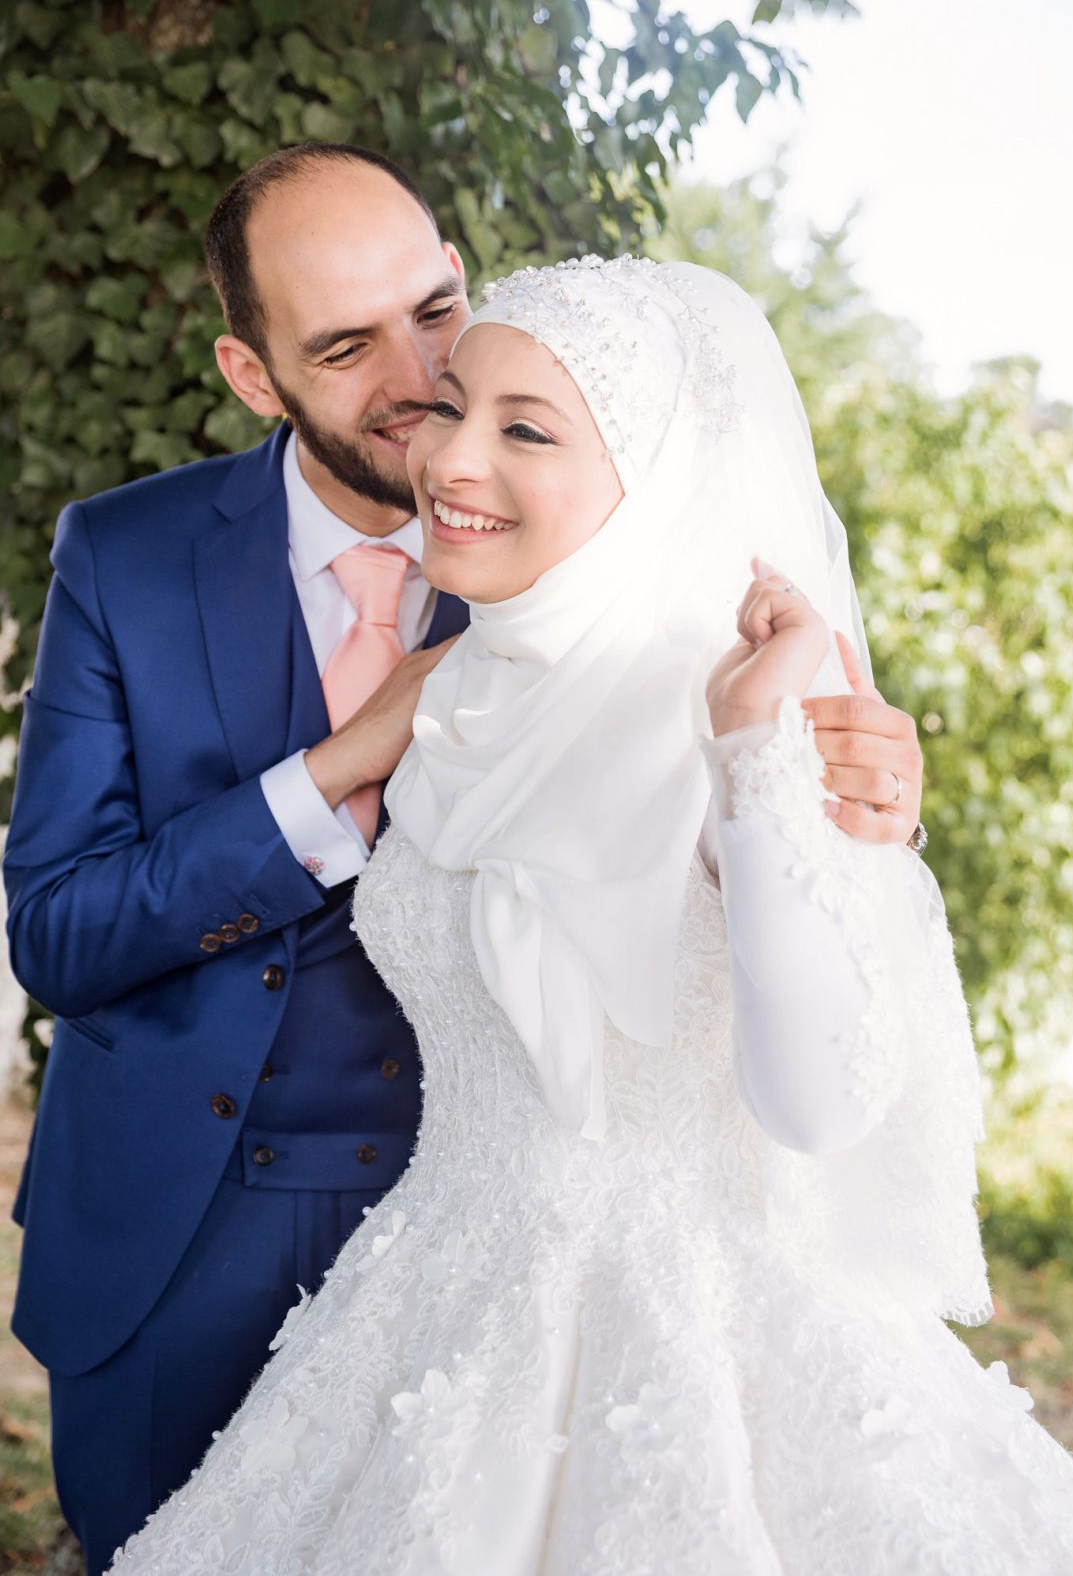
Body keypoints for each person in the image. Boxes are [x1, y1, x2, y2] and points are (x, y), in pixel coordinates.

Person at [4, 145, 922, 1573]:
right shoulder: (126, 558)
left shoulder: (620, 545)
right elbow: (57, 930)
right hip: (173, 1242)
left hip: (513, 1284)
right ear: (256, 376)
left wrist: (839, 798)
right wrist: (337, 763)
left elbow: (783, 863)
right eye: (349, 344)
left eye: (438, 306)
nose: (429, 383)